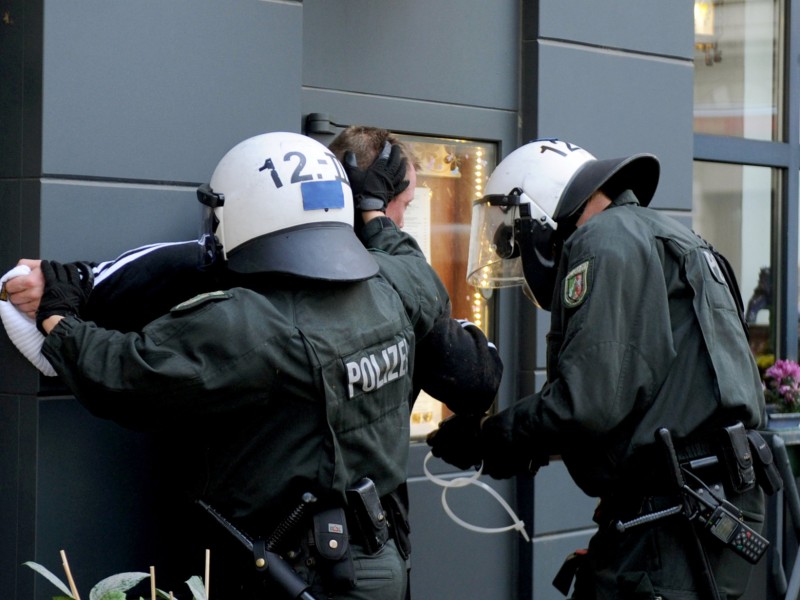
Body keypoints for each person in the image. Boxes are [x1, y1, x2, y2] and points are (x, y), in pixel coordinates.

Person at [27, 131, 452, 600]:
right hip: (381, 556)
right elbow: (409, 261)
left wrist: (57, 317)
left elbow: (127, 374)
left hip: (305, 573)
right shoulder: (394, 285)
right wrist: (373, 209)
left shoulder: (257, 323)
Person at [426, 138, 772, 599]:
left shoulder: (604, 238)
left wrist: (487, 439)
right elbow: (639, 399)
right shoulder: (661, 233)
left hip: (675, 516)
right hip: (698, 504)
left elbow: (585, 405)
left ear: (540, 211)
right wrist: (523, 447)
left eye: (516, 234)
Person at [7, 125, 501, 415]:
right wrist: (60, 288)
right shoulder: (399, 286)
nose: (401, 220)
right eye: (404, 206)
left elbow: (472, 378)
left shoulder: (394, 286)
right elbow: (136, 286)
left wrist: (57, 302)